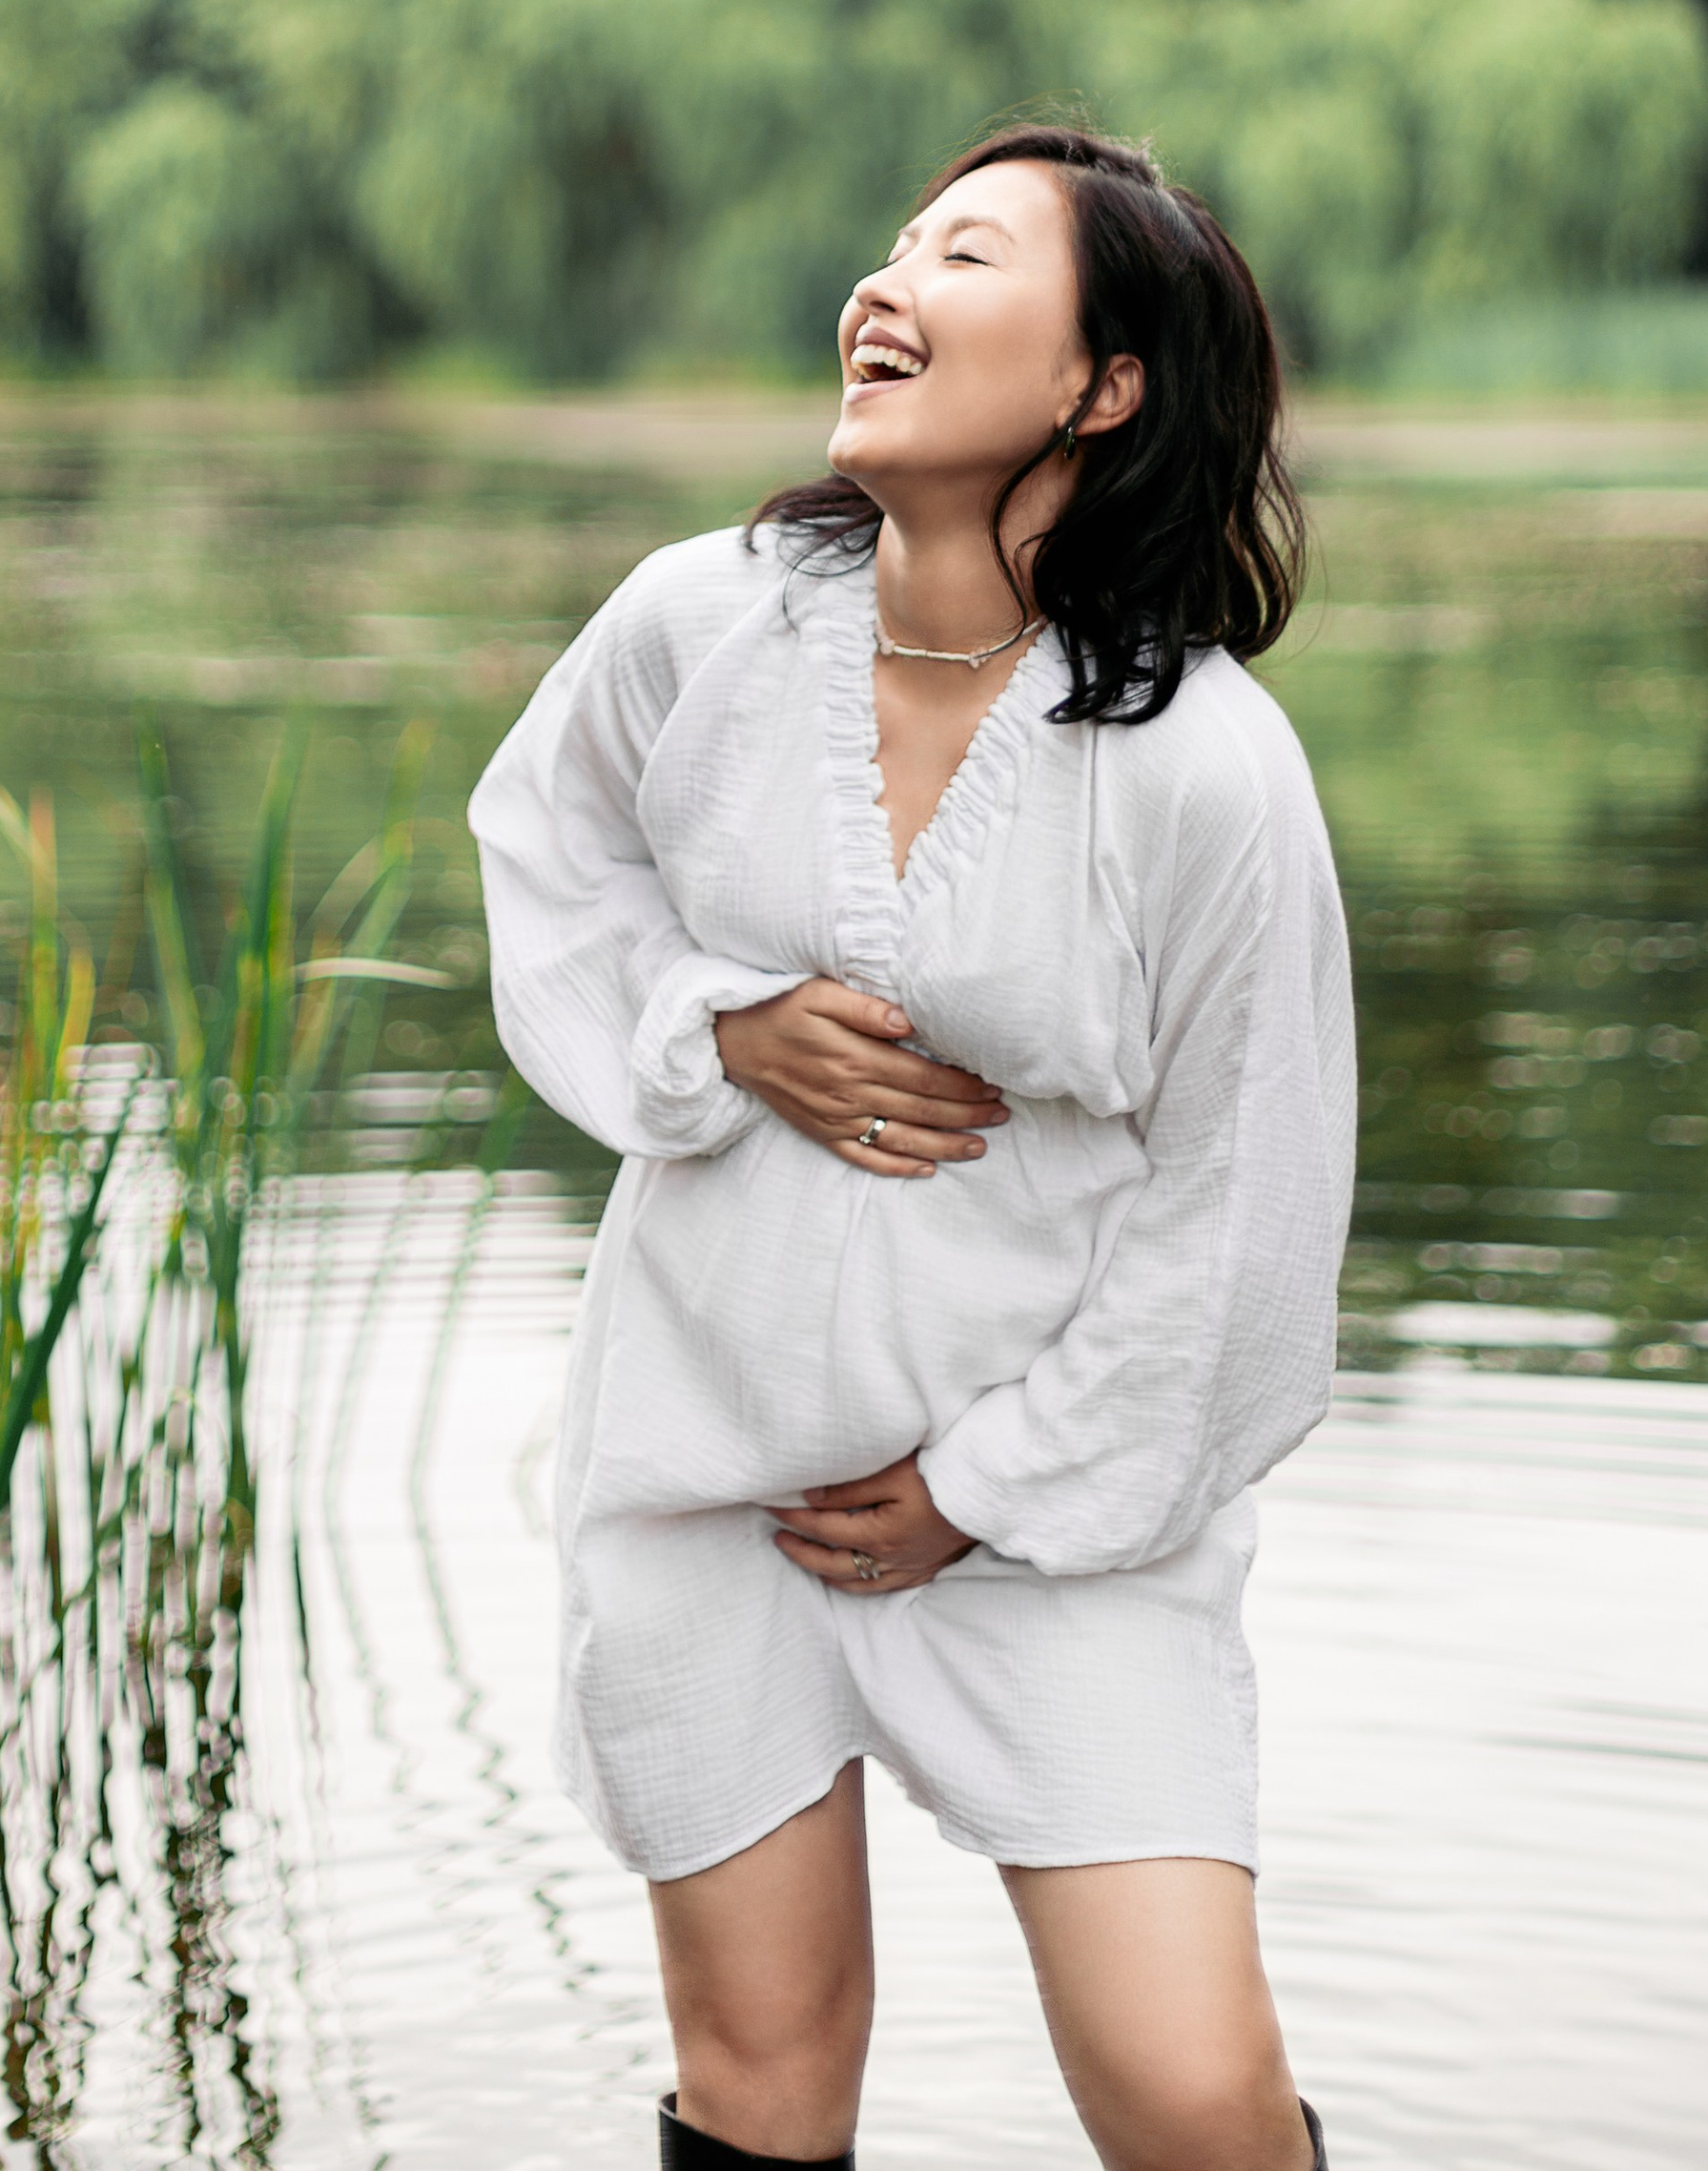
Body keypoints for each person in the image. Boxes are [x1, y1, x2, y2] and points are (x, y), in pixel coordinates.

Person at [470, 125, 1356, 2171]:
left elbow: (1246, 1208)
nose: (883, 282)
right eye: (889, 243)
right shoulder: (699, 622)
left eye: (961, 254)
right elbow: (546, 862)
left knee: (1188, 2092)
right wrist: (715, 1029)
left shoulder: (1201, 765)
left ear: (1098, 384)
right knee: (760, 2076)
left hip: (1067, 1517)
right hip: (713, 1485)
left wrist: (982, 1487)